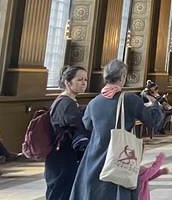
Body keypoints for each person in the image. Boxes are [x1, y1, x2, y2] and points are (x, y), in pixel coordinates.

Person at [69, 59, 163, 200]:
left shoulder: (94, 102)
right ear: (123, 77)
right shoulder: (129, 99)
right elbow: (153, 121)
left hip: (94, 158)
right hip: (119, 159)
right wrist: (155, 102)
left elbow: (87, 125)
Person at [46, 66, 89, 200]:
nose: (84, 83)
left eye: (85, 80)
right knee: (61, 192)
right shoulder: (66, 103)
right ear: (67, 82)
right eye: (79, 80)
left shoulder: (68, 101)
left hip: (62, 155)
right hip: (62, 157)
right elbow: (79, 127)